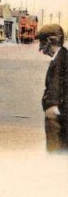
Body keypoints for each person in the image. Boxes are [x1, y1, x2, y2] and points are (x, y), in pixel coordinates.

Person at [35, 24, 67, 152]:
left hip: (57, 121)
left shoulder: (60, 61)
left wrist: (52, 107)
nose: (40, 48)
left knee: (55, 153)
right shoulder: (62, 56)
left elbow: (56, 87)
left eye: (41, 43)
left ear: (49, 41)